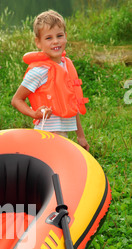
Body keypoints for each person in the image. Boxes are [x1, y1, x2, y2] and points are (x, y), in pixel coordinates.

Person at [11, 10, 90, 151]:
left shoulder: (66, 65)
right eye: (48, 38)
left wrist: (81, 136)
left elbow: (72, 103)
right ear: (38, 42)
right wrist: (34, 114)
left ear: (65, 37)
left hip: (63, 134)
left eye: (59, 36)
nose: (55, 41)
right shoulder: (39, 71)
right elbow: (16, 100)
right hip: (46, 134)